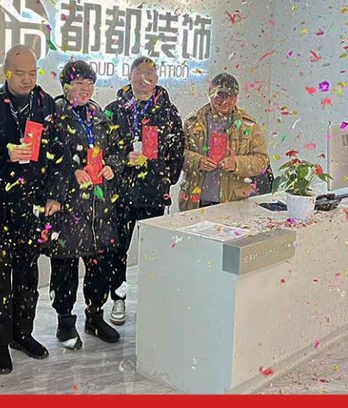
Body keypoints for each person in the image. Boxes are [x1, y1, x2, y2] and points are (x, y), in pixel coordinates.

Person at [0, 45, 56, 374]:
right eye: (19, 73)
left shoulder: (45, 104)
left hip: (31, 207)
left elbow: (57, 153)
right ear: (5, 72)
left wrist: (53, 195)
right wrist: (1, 153)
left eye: (32, 73)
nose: (27, 79)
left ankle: (22, 334)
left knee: (27, 275)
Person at [44, 60, 124, 348]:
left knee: (99, 266)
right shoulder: (53, 115)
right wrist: (70, 172)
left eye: (89, 83)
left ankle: (95, 316)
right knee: (64, 267)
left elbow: (117, 150)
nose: (85, 89)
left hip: (98, 207)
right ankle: (65, 322)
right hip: (68, 207)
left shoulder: (99, 116)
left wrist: (112, 165)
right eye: (79, 83)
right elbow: (44, 158)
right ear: (65, 86)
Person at [104, 56, 184, 325]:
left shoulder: (168, 112)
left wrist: (165, 178)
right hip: (122, 193)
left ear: (157, 77)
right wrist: (123, 160)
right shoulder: (115, 110)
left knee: (154, 252)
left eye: (150, 72)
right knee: (118, 251)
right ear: (130, 76)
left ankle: (151, 300)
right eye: (138, 72)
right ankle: (118, 298)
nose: (144, 77)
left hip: (153, 192)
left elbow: (177, 150)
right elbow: (104, 150)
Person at [178, 72, 271, 211]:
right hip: (195, 200)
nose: (225, 101)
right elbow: (178, 155)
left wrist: (236, 163)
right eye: (220, 95)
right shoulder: (192, 123)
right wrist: (197, 161)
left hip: (233, 202)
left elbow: (262, 160)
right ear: (210, 94)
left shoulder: (248, 125)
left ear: (236, 98)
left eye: (231, 96)